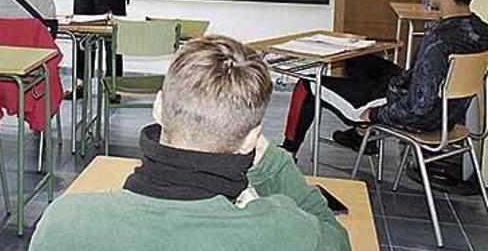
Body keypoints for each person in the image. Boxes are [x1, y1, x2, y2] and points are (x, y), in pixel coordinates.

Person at [30, 35, 351, 251]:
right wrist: (271, 161)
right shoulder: (288, 232)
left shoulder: (64, 224)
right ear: (251, 139)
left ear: (158, 107)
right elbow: (337, 240)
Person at [281, 0, 488, 156]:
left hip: (411, 112)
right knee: (357, 60)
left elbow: (419, 107)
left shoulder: (438, 41)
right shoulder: (482, 31)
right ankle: (360, 136)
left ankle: (289, 152)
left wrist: (375, 114)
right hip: (444, 113)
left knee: (306, 86)